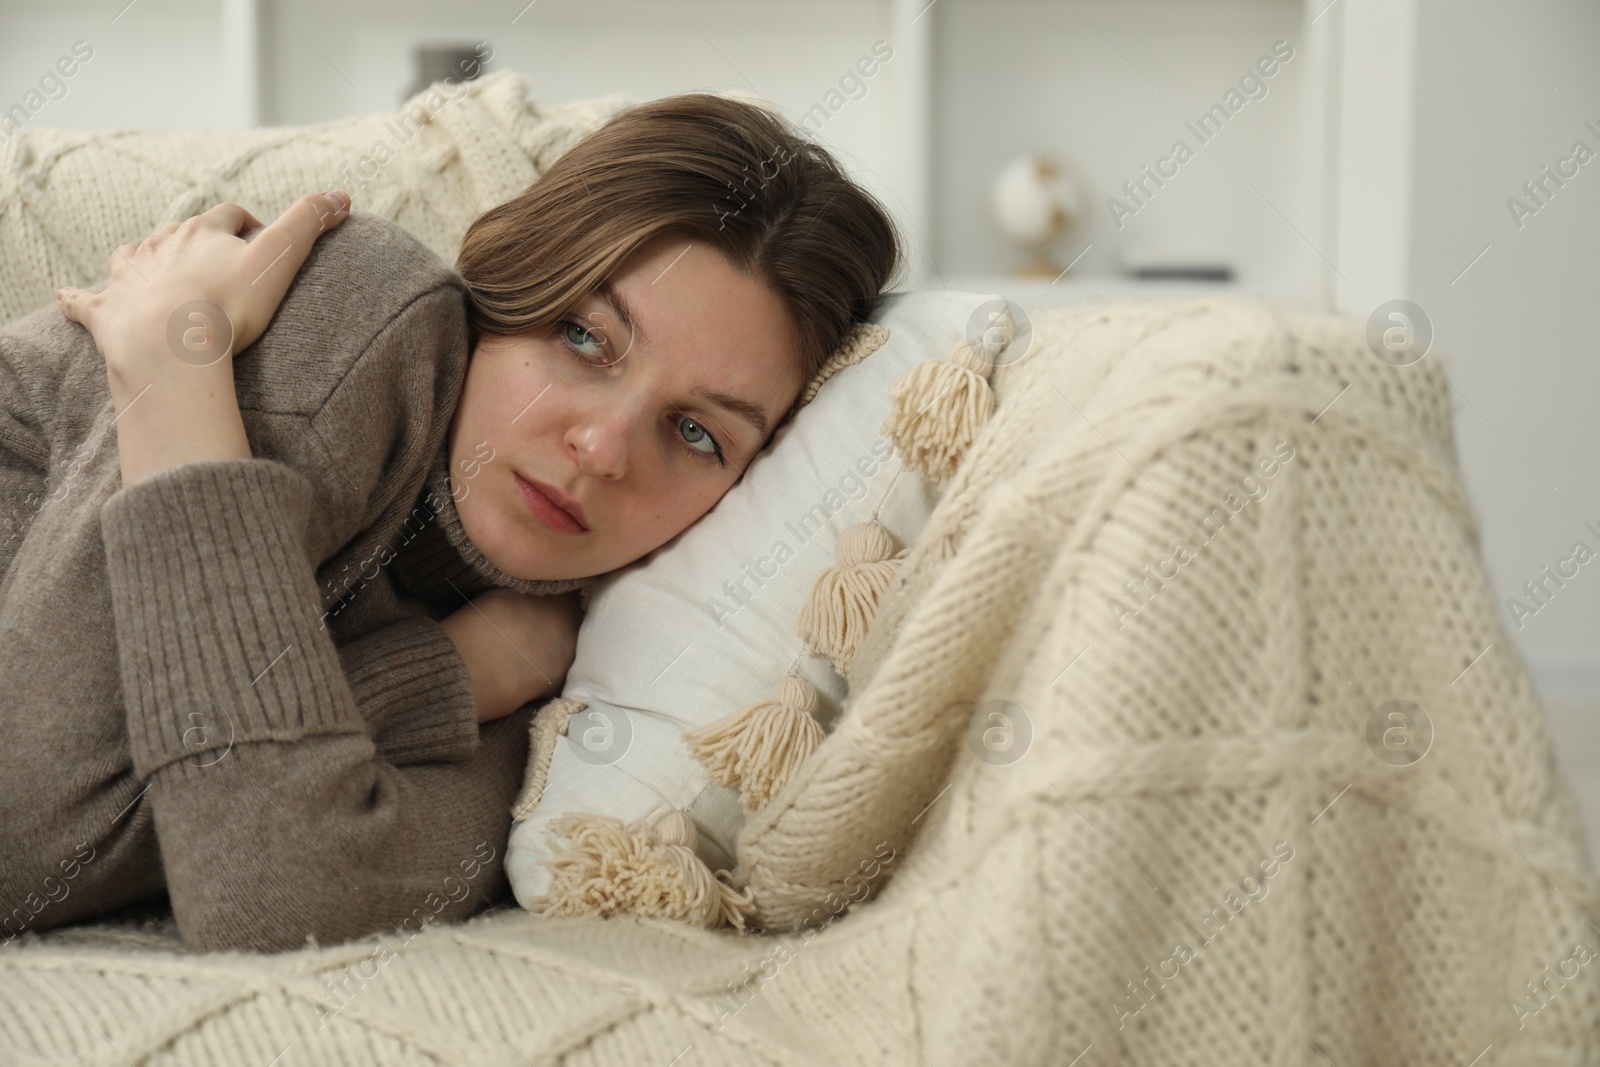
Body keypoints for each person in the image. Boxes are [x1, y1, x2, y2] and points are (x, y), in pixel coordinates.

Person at [0, 92, 902, 954]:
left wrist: (468, 676)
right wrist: (178, 372)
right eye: (584, 338)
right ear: (515, 280)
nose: (600, 448)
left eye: (696, 432)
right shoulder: (361, 318)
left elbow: (287, 895)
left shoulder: (568, 695)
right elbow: (26, 832)